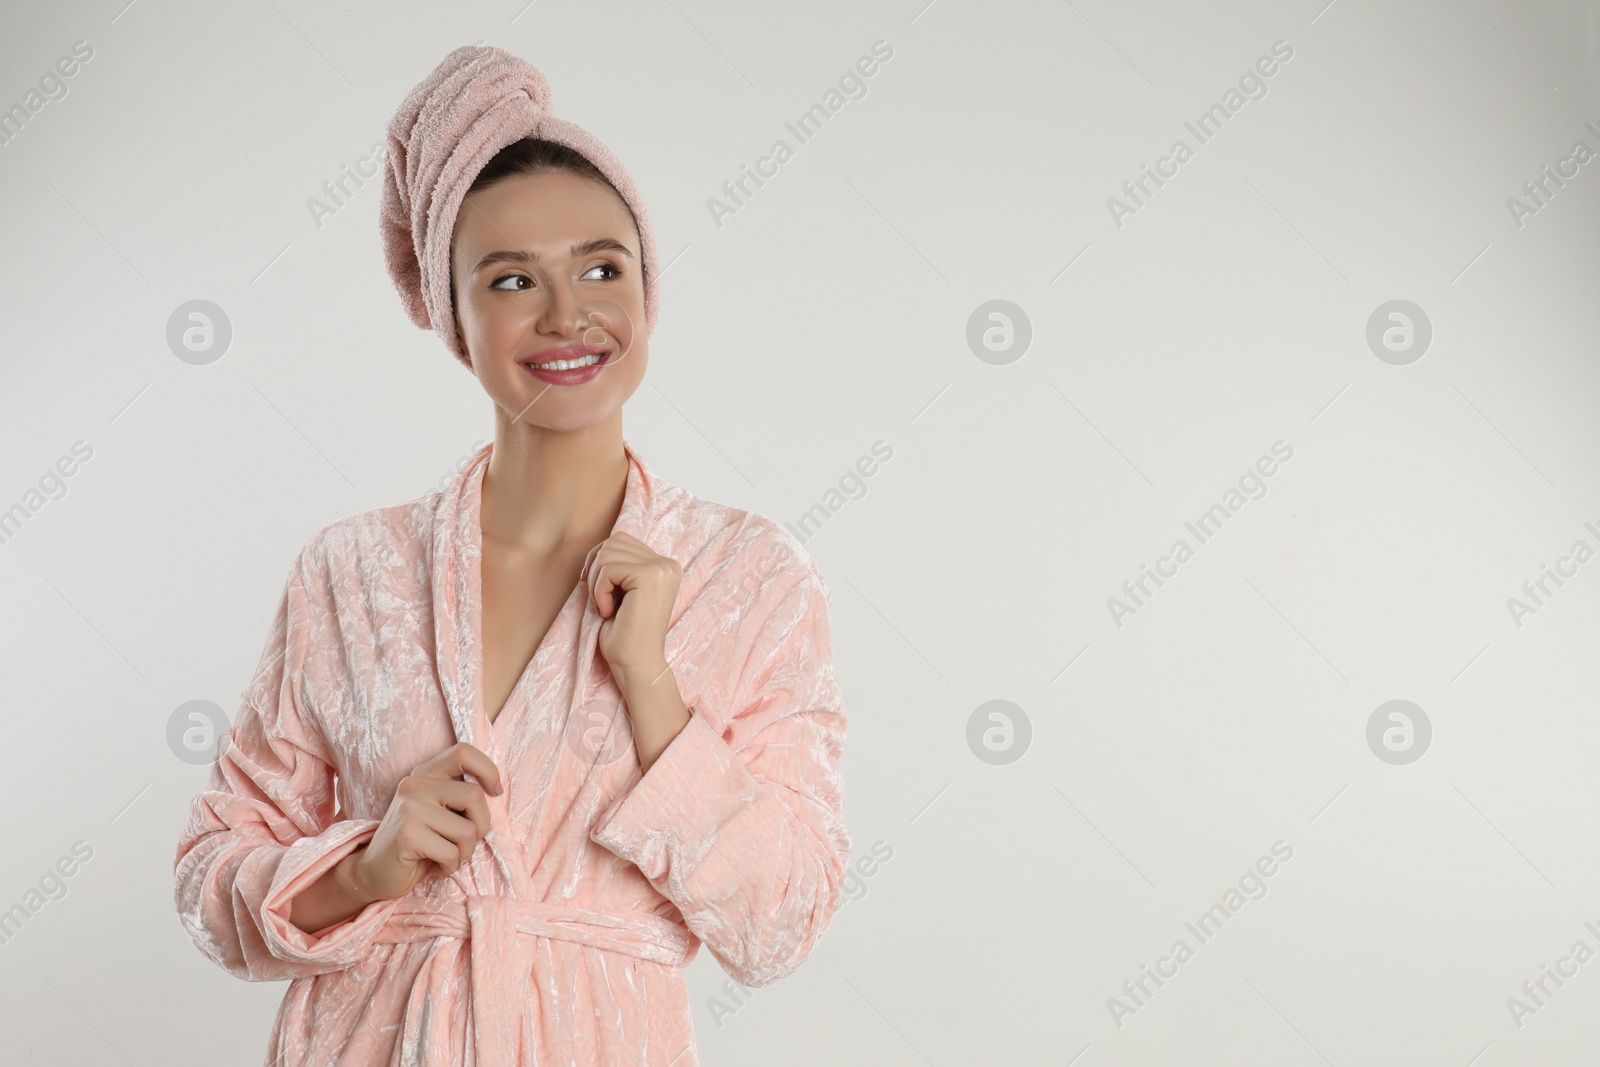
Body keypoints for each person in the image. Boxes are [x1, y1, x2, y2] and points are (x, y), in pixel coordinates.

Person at [172, 44, 850, 1067]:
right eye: (510, 279)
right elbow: (211, 872)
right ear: (456, 319)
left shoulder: (751, 576)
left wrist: (652, 686)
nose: (567, 312)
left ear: (646, 289)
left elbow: (782, 921)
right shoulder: (352, 572)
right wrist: (367, 864)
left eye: (600, 267)